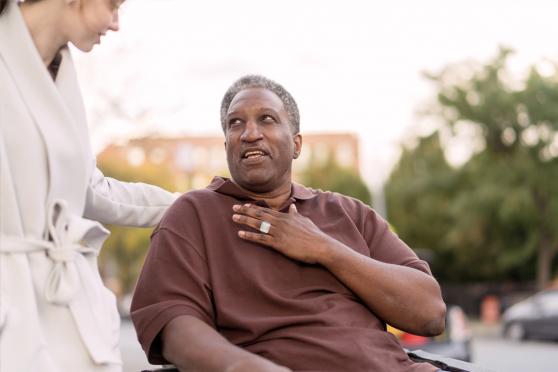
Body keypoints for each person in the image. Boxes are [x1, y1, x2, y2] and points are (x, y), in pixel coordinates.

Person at [131, 75, 447, 372]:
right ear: (226, 145)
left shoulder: (349, 212)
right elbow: (172, 324)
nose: (249, 133)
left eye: (266, 119)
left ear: (296, 145)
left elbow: (429, 314)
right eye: (235, 123)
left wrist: (325, 249)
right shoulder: (193, 214)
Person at [0, 0, 179, 371]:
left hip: (64, 305)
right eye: (113, 5)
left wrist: (191, 204)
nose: (115, 24)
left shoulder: (61, 71)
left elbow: (89, 189)